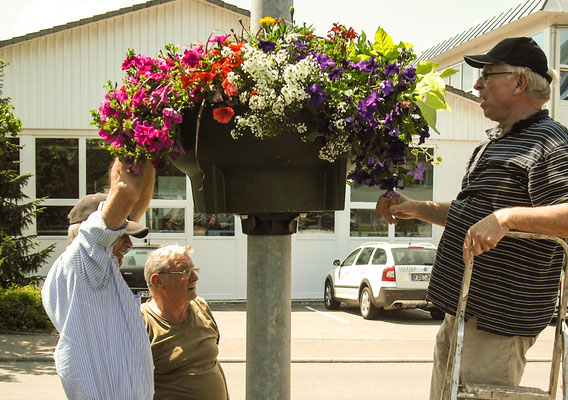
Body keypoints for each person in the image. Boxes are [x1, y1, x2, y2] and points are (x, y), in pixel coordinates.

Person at [376, 37, 568, 400]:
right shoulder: (493, 142)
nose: (476, 84)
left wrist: (507, 217)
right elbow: (475, 217)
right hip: (460, 309)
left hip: (498, 320)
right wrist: (416, 207)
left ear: (519, 82)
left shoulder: (550, 142)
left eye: (487, 75)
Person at [42, 158, 156, 399]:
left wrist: (150, 152)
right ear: (91, 232)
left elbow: (139, 200)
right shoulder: (83, 264)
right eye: (121, 234)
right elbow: (126, 191)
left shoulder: (100, 273)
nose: (129, 242)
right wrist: (135, 130)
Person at [141, 244, 229, 400]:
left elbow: (211, 361)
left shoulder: (201, 307)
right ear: (158, 281)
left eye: (194, 271)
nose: (195, 278)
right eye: (185, 272)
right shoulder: (142, 321)